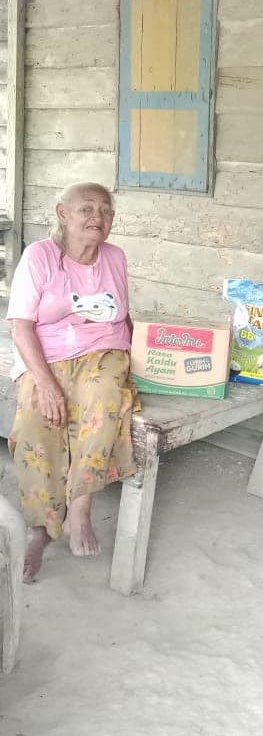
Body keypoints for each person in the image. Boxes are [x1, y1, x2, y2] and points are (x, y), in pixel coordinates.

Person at [7, 182, 139, 584]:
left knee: (103, 400)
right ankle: (42, 526)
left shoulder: (115, 257)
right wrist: (46, 383)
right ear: (62, 214)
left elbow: (124, 317)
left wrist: (147, 360)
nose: (98, 217)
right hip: (46, 355)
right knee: (35, 418)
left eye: (106, 210)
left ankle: (80, 509)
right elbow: (21, 327)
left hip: (104, 351)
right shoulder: (39, 256)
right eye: (87, 209)